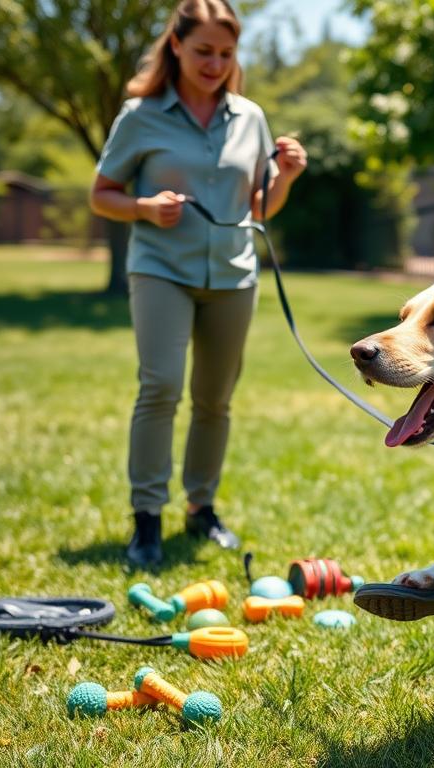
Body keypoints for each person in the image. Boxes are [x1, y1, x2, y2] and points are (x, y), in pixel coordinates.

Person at [90, 0, 307, 567]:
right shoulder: (141, 115)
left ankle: (202, 509)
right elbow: (101, 194)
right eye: (203, 50)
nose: (214, 63)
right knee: (160, 386)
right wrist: (142, 206)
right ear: (177, 47)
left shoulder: (250, 117)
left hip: (234, 275)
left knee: (215, 400)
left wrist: (285, 176)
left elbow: (259, 207)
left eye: (226, 53)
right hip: (161, 268)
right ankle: (146, 520)